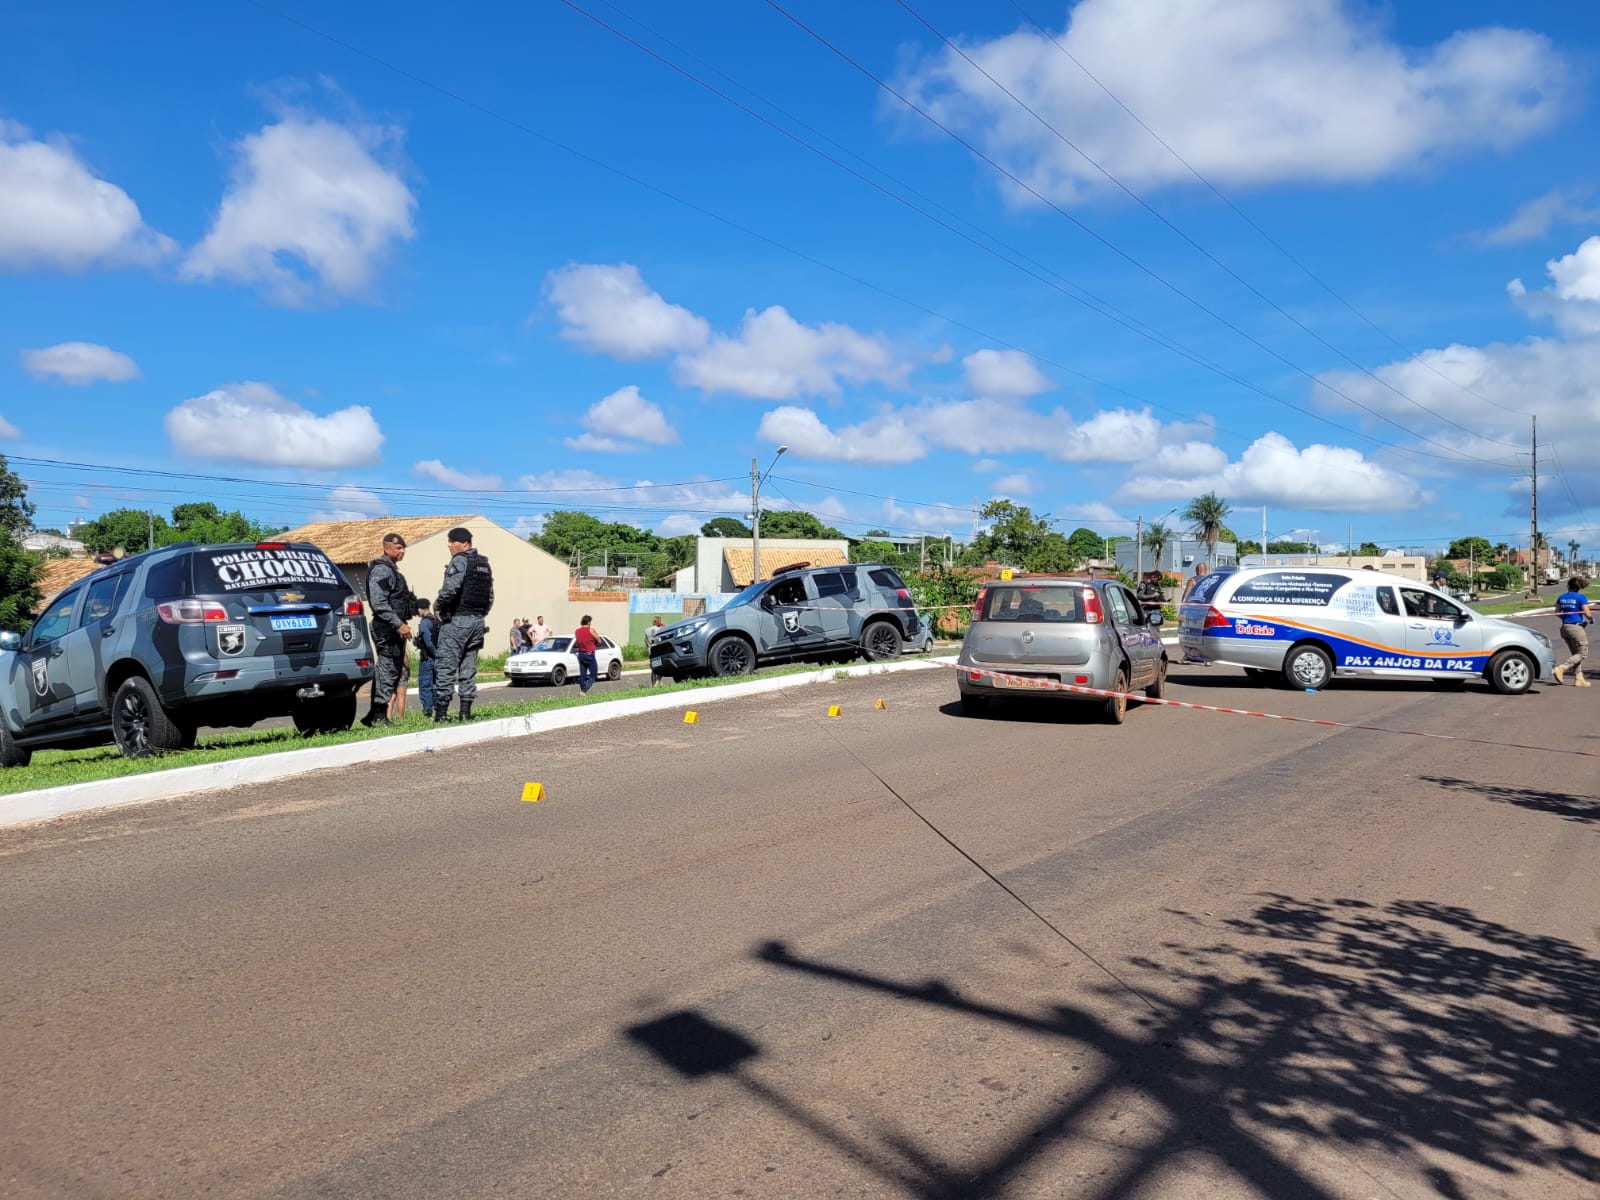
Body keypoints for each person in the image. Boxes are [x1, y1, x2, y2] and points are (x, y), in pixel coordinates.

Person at [433, 527, 495, 721]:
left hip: (457, 621)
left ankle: (441, 714)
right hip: (478, 621)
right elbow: (490, 596)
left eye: (452, 542)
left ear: (465, 543)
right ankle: (465, 711)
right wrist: (479, 614)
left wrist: (438, 605)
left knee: (446, 666)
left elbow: (451, 589)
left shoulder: (460, 560)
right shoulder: (484, 564)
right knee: (468, 668)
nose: (449, 546)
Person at [364, 532, 414, 727]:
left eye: (403, 548)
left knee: (391, 670)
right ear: (386, 548)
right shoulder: (382, 571)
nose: (402, 551)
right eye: (398, 548)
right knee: (387, 670)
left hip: (393, 628)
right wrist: (398, 624)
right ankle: (378, 715)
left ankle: (374, 714)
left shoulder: (392, 571)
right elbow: (379, 604)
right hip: (386, 628)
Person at [1553, 575, 1592, 686]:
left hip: (1565, 628)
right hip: (1576, 628)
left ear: (1569, 585)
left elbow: (1557, 612)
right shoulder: (1581, 597)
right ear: (1579, 587)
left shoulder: (1561, 597)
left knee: (1576, 654)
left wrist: (1565, 618)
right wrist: (1591, 618)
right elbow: (1587, 613)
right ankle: (1561, 668)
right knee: (1582, 654)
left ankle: (1579, 679)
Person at [414, 598, 438, 716]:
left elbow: (428, 642)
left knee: (425, 684)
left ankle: (427, 710)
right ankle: (438, 708)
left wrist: (434, 653)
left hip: (427, 657)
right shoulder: (434, 619)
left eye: (417, 609)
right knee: (434, 684)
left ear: (422, 608)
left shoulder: (425, 622)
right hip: (435, 658)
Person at [573, 613, 601, 695]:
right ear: (588, 622)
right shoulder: (591, 630)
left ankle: (582, 692)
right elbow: (599, 640)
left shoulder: (577, 631)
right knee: (593, 674)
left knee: (583, 675)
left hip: (581, 654)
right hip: (590, 654)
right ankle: (584, 690)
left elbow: (578, 642)